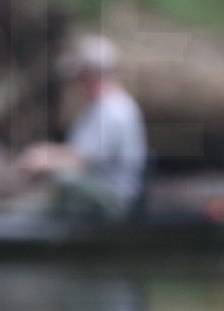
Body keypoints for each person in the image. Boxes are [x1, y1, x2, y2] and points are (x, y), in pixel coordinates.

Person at [17, 34, 149, 222]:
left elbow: (81, 162)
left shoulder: (114, 112)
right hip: (94, 189)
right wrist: (44, 152)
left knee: (65, 180)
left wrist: (44, 163)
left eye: (79, 78)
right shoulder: (97, 108)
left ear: (91, 75)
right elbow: (77, 151)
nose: (76, 85)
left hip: (115, 200)